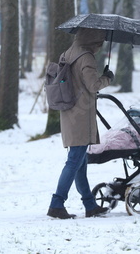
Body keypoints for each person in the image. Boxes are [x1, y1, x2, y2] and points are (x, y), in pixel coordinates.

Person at [47, 28, 114, 220]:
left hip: (69, 112)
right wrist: (107, 78)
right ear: (94, 40)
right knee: (74, 161)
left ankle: (90, 205)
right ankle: (56, 203)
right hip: (81, 116)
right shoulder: (86, 57)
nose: (100, 45)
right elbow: (93, 86)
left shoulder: (67, 53)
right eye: (99, 41)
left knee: (79, 163)